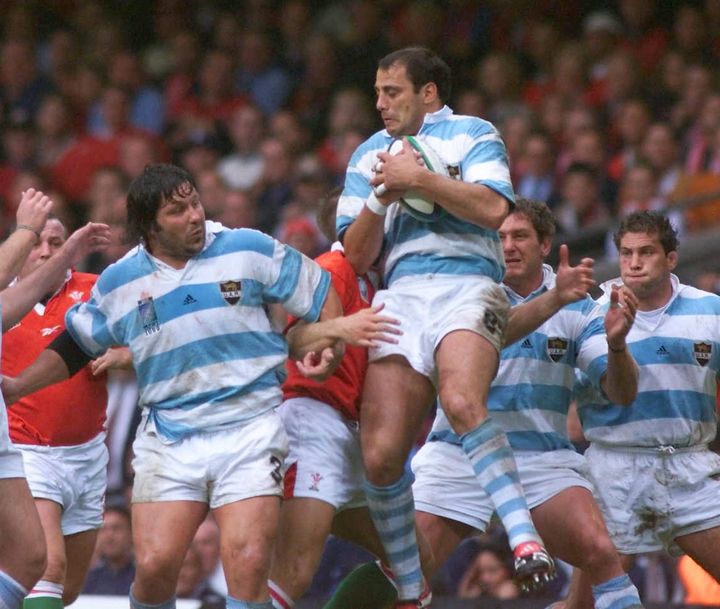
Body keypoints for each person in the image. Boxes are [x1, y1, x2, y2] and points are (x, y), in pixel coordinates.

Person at [1, 163, 390, 609]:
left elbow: (317, 288)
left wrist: (333, 343)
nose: (194, 216)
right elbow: (76, 345)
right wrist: (17, 387)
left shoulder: (247, 248)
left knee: (247, 562)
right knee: (154, 569)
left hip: (251, 428)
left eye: (195, 203)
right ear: (149, 226)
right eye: (176, 211)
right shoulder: (120, 281)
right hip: (169, 439)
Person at [323, 199, 643, 609]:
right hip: (458, 455)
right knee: (403, 568)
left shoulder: (580, 306)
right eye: (499, 236)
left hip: (539, 459)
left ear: (545, 244)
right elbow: (480, 333)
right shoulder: (457, 290)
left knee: (602, 552)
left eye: (520, 236)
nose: (507, 245)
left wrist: (616, 346)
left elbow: (621, 393)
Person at [335, 46, 553, 605]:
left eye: (393, 92)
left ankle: (524, 538)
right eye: (377, 92)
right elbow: (355, 257)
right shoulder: (367, 156)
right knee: (380, 455)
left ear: (428, 92)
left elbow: (492, 210)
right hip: (402, 295)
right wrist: (381, 197)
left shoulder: (473, 133)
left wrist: (420, 180)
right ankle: (414, 591)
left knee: (460, 400)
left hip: (467, 286)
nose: (380, 103)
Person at [568, 210, 720, 607]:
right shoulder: (590, 315)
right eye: (626, 253)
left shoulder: (711, 310)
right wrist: (617, 344)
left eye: (647, 252)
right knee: (582, 606)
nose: (634, 263)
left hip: (690, 467)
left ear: (671, 259)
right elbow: (604, 394)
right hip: (614, 472)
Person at [268, 191, 409, 609]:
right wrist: (325, 347)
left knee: (408, 561)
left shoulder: (376, 283)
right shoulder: (332, 269)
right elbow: (299, 338)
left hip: (350, 437)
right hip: (311, 423)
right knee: (292, 570)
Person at [2, 214, 128, 609]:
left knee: (69, 588)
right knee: (47, 567)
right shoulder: (6, 304)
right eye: (35, 243)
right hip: (28, 454)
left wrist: (125, 352)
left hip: (89, 455)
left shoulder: (97, 292)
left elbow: (155, 328)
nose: (45, 251)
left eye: (56, 243)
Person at [81, 504, 135, 597]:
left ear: (131, 533)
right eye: (103, 529)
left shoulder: (143, 580)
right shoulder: (88, 580)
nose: (109, 536)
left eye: (116, 528)